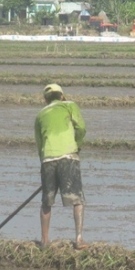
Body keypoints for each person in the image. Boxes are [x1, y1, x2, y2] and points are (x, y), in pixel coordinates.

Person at [34, 83, 87, 249]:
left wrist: (44, 162)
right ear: (62, 96)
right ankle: (78, 240)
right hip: (67, 157)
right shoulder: (70, 105)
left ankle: (44, 241)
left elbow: (39, 143)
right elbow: (81, 128)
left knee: (46, 202)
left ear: (45, 99)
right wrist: (77, 145)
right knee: (77, 198)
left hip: (48, 159)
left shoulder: (40, 115)